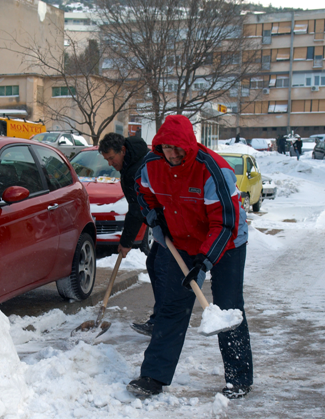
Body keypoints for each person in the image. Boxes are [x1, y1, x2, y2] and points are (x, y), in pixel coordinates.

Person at [128, 114, 252, 399]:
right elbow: (142, 193)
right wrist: (153, 216)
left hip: (226, 242)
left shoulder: (212, 171)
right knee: (172, 306)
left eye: (177, 148)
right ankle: (153, 376)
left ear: (189, 144)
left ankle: (239, 378)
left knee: (228, 308)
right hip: (181, 241)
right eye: (165, 148)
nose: (171, 154)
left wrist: (204, 263)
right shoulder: (152, 165)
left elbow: (225, 223)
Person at [98, 133, 154, 336]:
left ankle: (164, 321)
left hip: (168, 221)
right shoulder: (134, 161)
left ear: (123, 150)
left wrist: (127, 241)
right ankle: (162, 319)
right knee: (157, 266)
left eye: (112, 158)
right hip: (161, 221)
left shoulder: (135, 169)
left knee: (160, 268)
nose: (111, 163)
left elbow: (136, 208)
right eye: (106, 160)